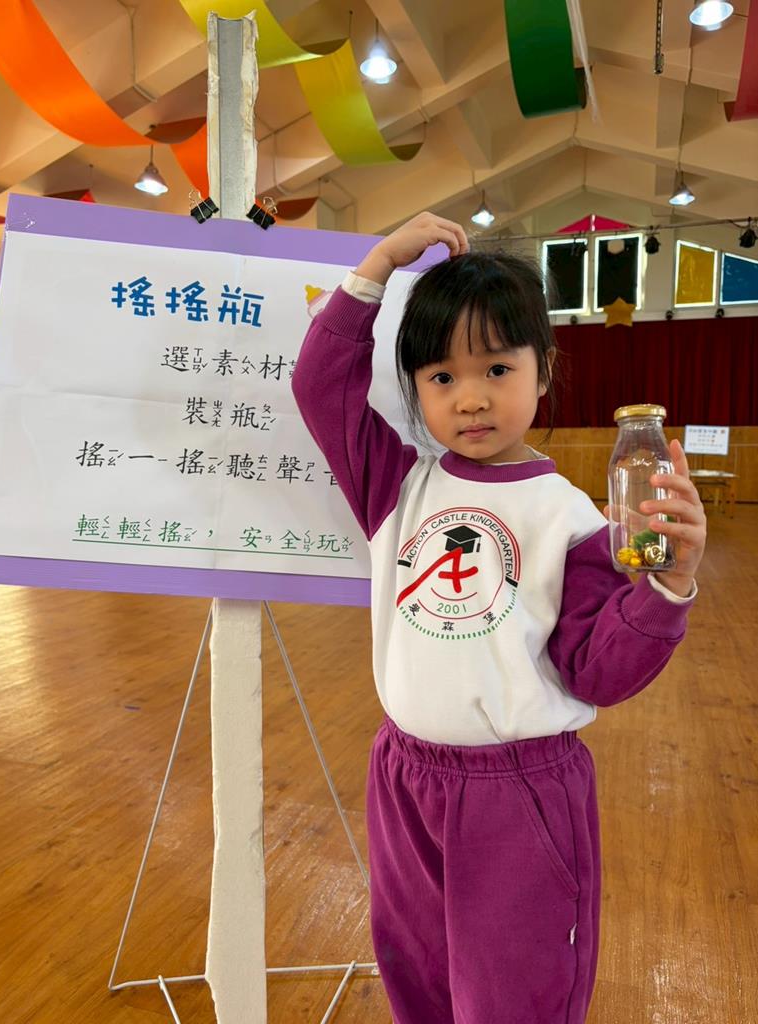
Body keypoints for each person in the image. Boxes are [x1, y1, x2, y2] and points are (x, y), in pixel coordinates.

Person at [290, 211, 707, 1024]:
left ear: (542, 371)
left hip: (518, 795)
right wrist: (378, 264)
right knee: (417, 975)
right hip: (404, 775)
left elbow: (597, 672)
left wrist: (668, 587)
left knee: (513, 994)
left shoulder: (571, 517)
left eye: (496, 368)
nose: (470, 397)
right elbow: (319, 385)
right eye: (440, 377)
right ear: (414, 390)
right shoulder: (395, 484)